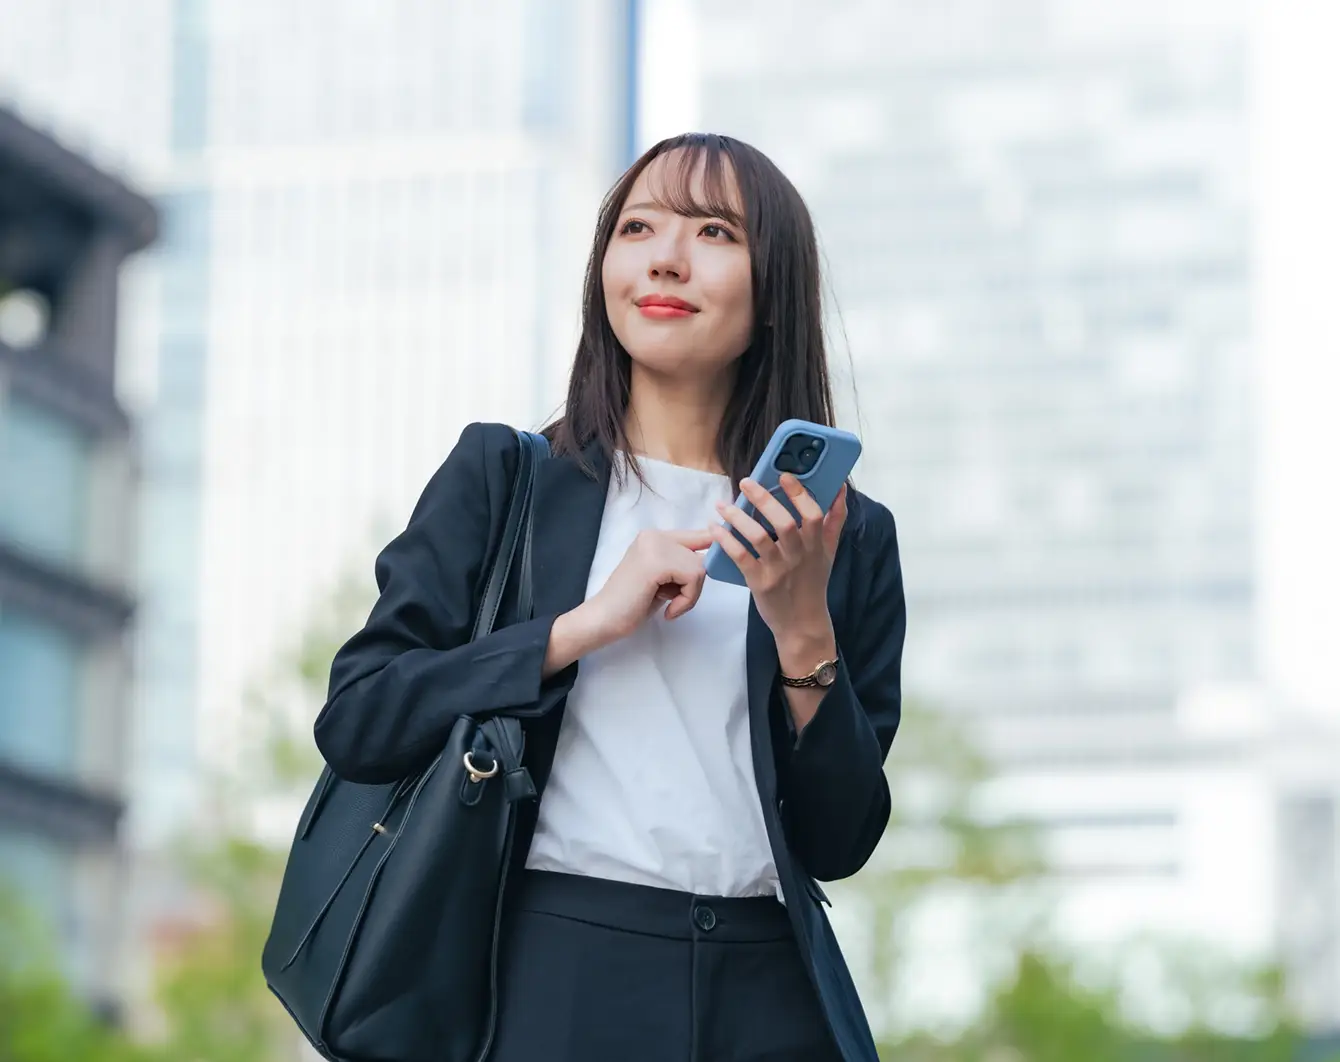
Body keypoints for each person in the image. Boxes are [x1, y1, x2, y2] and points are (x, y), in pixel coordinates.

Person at [313, 133, 907, 1062]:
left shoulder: (841, 533)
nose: (666, 256)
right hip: (558, 968)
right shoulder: (507, 479)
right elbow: (359, 719)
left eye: (714, 230)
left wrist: (801, 628)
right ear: (605, 273)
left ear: (775, 291)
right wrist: (579, 628)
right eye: (638, 227)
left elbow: (839, 839)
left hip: (771, 988)